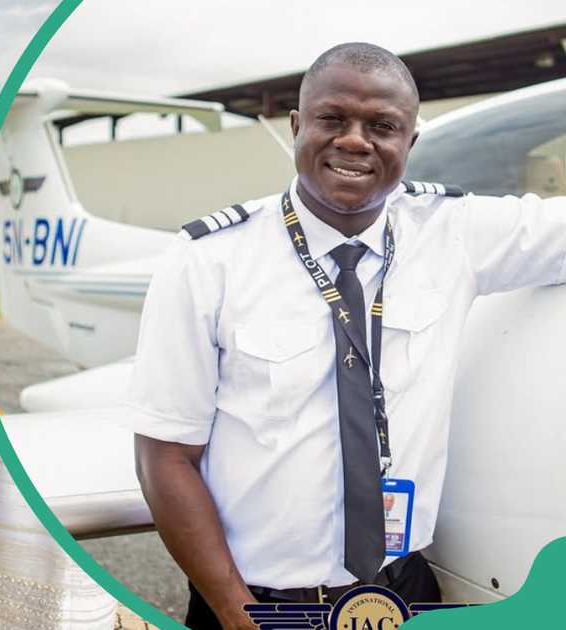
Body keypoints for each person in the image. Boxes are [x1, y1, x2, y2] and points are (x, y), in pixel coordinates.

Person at [127, 42, 566, 630]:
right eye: (333, 119)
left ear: (409, 143)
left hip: (402, 592)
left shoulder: (454, 232)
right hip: (260, 601)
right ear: (296, 126)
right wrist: (238, 613)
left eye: (383, 126)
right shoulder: (209, 260)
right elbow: (165, 456)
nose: (356, 141)